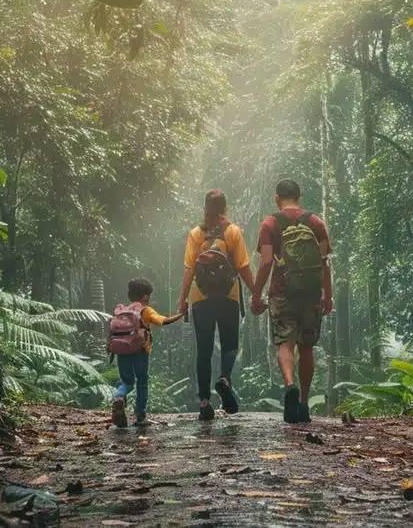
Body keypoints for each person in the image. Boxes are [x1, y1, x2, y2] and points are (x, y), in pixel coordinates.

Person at [252, 179, 332, 424]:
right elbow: (325, 261)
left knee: (285, 343)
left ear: (277, 198)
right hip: (310, 292)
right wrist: (327, 294)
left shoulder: (270, 223)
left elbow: (266, 261)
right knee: (306, 346)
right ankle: (304, 403)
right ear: (299, 196)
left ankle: (289, 384)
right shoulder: (316, 222)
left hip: (281, 291)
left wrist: (257, 294)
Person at [177, 190, 258, 420]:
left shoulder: (195, 234)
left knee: (203, 349)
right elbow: (243, 267)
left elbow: (189, 269)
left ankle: (204, 402)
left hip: (201, 298)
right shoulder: (232, 232)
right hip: (228, 296)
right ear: (225, 208)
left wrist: (182, 300)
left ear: (205, 207)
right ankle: (224, 377)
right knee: (230, 343)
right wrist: (256, 293)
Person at [111, 277, 183, 428]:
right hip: (139, 351)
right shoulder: (145, 310)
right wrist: (181, 314)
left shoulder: (122, 311)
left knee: (127, 382)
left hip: (121, 351)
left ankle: (119, 397)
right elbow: (162, 320)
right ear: (145, 296)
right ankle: (140, 415)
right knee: (142, 381)